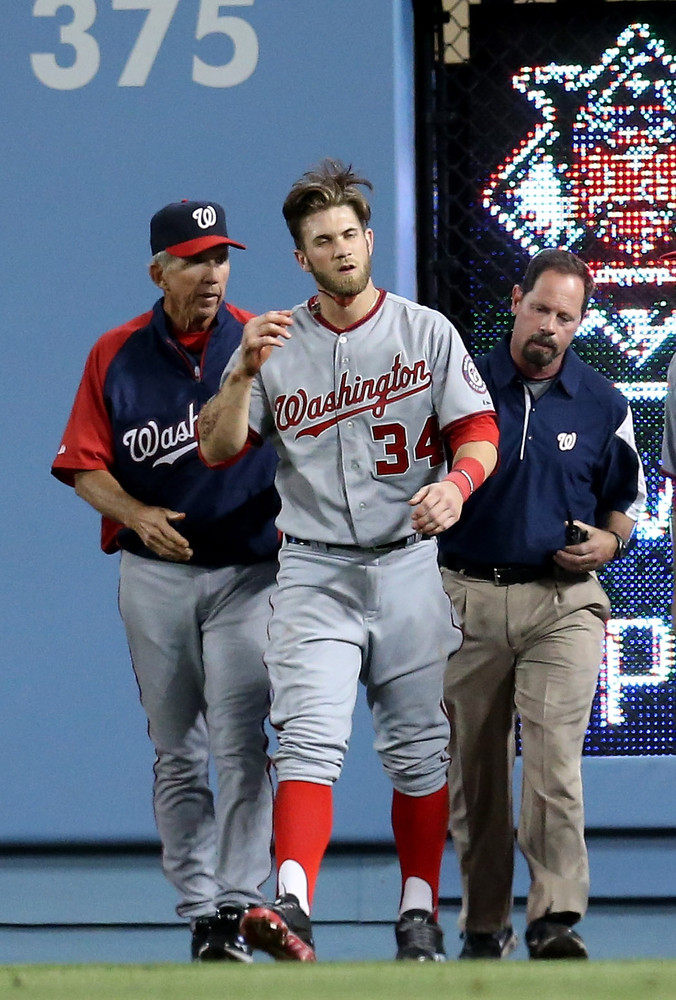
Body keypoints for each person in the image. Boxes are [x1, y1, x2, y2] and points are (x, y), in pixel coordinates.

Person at [198, 159, 499, 962]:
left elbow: (478, 431)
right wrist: (237, 374)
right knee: (306, 739)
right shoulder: (273, 342)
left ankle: (417, 913)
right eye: (321, 241)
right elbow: (220, 449)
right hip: (316, 569)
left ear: (369, 238)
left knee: (417, 747)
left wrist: (459, 488)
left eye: (348, 234)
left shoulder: (424, 329)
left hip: (406, 565)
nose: (339, 249)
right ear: (302, 259)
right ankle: (292, 905)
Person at [51, 200, 281, 962]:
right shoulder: (115, 353)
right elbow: (82, 463)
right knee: (178, 749)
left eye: (220, 256)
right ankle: (200, 912)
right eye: (194, 259)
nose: (211, 272)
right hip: (157, 576)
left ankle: (241, 906)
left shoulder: (260, 345)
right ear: (159, 271)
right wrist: (136, 510)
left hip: (249, 571)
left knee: (243, 742)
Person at [438, 249, 646, 961]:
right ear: (517, 301)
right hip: (464, 596)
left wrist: (609, 544)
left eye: (566, 317)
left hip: (562, 603)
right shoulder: (463, 385)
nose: (550, 327)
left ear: (579, 323)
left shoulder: (604, 404)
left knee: (554, 763)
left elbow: (627, 503)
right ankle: (484, 924)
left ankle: (554, 918)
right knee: (477, 774)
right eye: (541, 309)